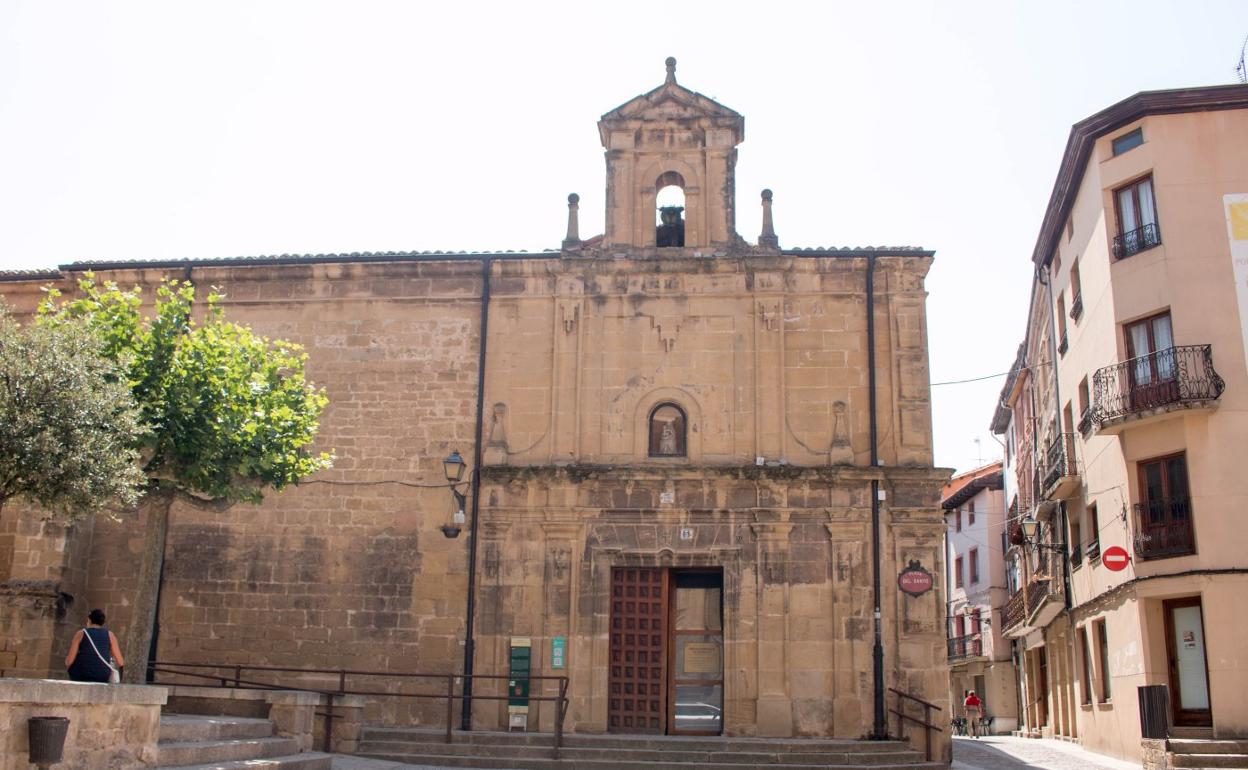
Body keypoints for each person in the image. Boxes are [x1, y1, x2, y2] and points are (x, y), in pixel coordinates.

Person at [66, 609, 124, 683]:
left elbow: (69, 661)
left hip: (82, 674)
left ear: (89, 620)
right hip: (103, 675)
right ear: (102, 622)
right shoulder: (110, 635)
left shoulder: (81, 633)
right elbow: (120, 662)